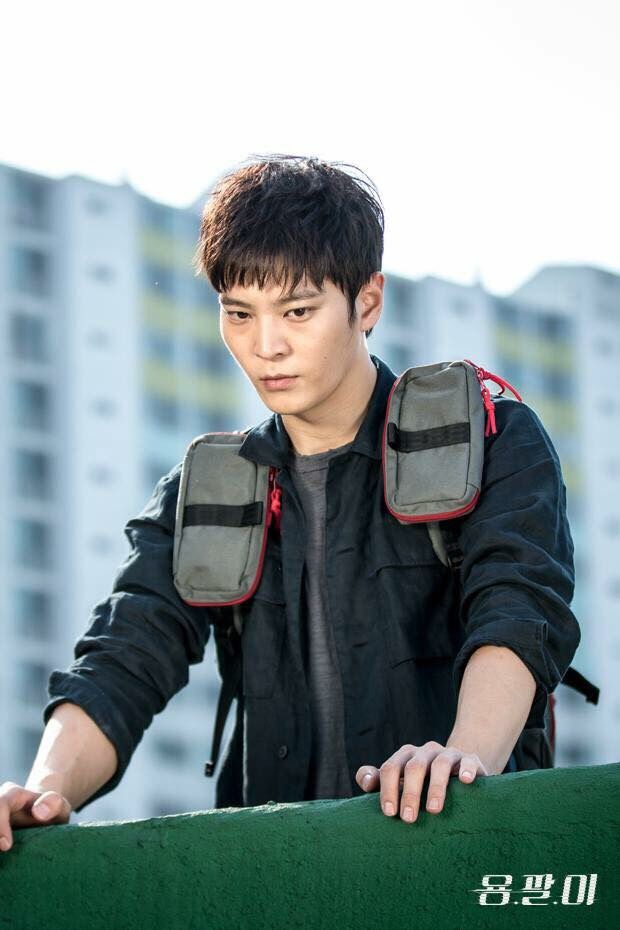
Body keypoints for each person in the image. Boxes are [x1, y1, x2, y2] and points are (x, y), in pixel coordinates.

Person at [0, 154, 582, 853]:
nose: (266, 346)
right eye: (239, 313)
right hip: (276, 877)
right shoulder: (205, 488)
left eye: (298, 311)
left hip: (461, 857)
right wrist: (42, 790)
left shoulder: (491, 438)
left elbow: (519, 609)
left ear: (367, 302)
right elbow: (126, 654)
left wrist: (462, 761)